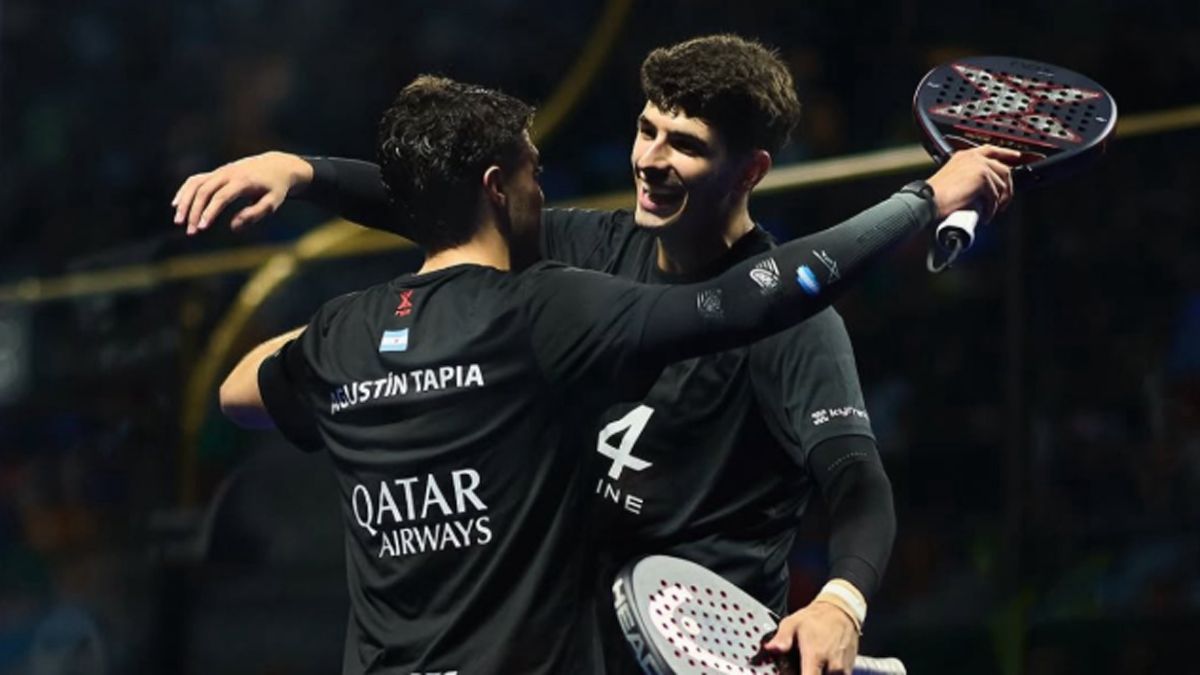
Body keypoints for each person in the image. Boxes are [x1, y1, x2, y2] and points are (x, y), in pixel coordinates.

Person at [184, 40, 1019, 675]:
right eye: (646, 129)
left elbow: (857, 480)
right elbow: (453, 200)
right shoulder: (583, 254)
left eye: (684, 143)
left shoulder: (799, 328)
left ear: (750, 170)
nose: (650, 160)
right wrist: (305, 171)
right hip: (574, 644)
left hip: (702, 653)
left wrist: (842, 601)